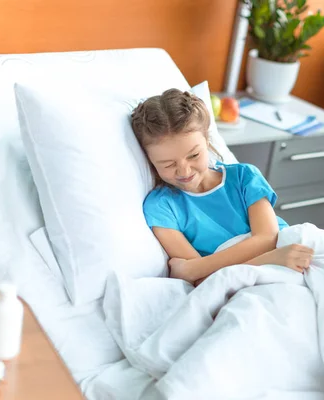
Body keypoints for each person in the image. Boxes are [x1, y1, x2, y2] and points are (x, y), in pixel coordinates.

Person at [131, 89, 313, 285]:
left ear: (207, 142)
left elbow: (268, 237)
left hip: (293, 254)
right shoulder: (161, 207)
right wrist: (269, 259)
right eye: (168, 164)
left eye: (193, 156)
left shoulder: (244, 177)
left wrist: (191, 268)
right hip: (268, 269)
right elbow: (202, 279)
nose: (184, 171)